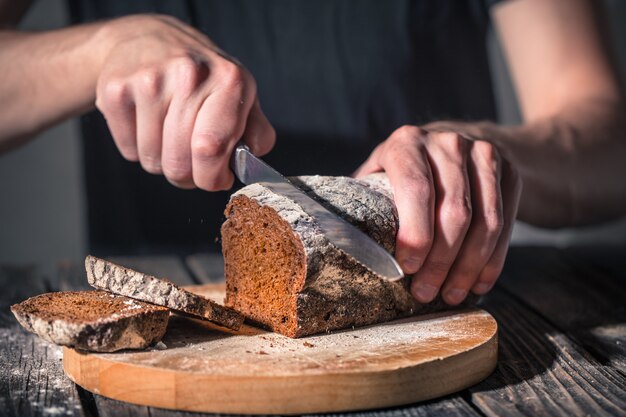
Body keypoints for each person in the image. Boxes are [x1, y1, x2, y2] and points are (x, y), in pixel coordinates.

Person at [1, 0, 624, 306]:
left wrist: (484, 158)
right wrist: (101, 51)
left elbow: (606, 134)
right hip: (160, 331)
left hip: (435, 306)